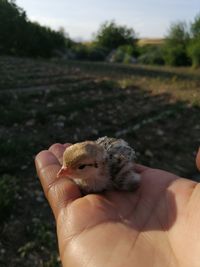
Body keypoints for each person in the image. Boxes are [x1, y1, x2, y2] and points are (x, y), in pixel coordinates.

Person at [35, 143, 200, 267]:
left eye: (80, 167)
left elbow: (133, 180)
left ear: (97, 166)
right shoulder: (89, 171)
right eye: (64, 166)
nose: (62, 173)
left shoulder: (115, 173)